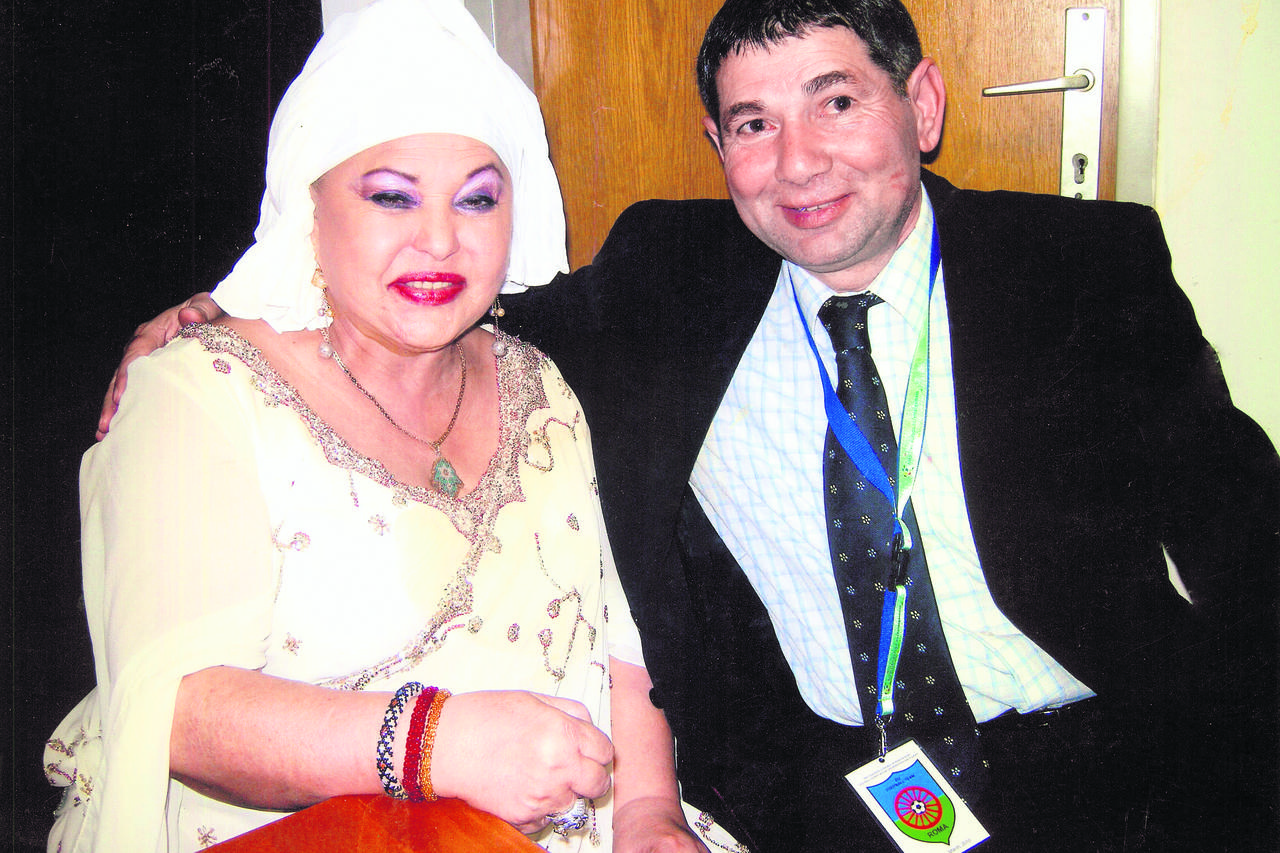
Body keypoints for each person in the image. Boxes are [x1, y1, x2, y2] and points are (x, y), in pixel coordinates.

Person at [98, 0, 1280, 850]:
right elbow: (442, 291)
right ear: (717, 147)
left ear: (918, 105)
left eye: (835, 101)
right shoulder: (670, 271)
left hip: (1090, 757)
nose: (797, 162)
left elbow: (1244, 539)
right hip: (828, 777)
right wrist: (230, 307)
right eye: (752, 123)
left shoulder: (1081, 270)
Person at [44, 1, 718, 851]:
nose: (439, 240)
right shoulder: (202, 393)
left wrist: (650, 811)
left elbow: (617, 631)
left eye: (477, 200)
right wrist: (434, 743)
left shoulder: (541, 383)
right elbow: (179, 708)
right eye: (392, 197)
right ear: (310, 201)